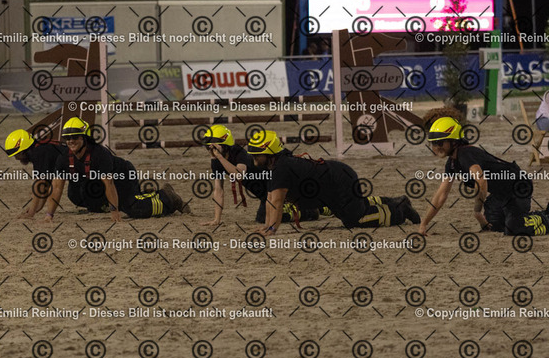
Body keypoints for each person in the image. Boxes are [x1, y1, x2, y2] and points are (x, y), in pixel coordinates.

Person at [247, 130, 420, 235]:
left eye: (256, 154)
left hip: (340, 180)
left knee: (355, 220)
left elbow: (277, 201)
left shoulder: (282, 168)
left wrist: (272, 230)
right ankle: (393, 201)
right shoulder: (276, 165)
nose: (253, 158)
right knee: (353, 210)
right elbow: (270, 199)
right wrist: (266, 226)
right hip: (334, 181)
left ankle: (400, 210)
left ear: (270, 153)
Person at [418, 117, 549, 236]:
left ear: (454, 141)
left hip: (518, 187)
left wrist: (477, 211)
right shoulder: (452, 163)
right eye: (433, 143)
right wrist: (424, 224)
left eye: (440, 142)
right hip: (500, 195)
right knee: (495, 226)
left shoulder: (465, 154)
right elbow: (441, 196)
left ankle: (545, 217)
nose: (436, 147)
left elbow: (481, 182)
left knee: (514, 228)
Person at [44, 117, 189, 222]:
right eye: (67, 137)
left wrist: (114, 210)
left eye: (75, 136)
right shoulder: (63, 158)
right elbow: (56, 187)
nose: (70, 141)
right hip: (97, 182)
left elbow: (109, 183)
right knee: (75, 195)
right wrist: (49, 215)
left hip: (122, 176)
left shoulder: (99, 154)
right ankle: (141, 196)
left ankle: (168, 197)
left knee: (134, 209)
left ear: (85, 138)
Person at [200, 125, 319, 226]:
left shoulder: (238, 153)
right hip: (264, 194)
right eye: (207, 147)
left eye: (213, 146)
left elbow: (239, 175)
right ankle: (303, 207)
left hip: (275, 186)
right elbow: (218, 190)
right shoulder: (216, 160)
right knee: (263, 217)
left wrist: (220, 158)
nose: (210, 150)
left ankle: (310, 212)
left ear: (225, 145)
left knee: (263, 218)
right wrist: (217, 219)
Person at [4, 129, 68, 219]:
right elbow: (45, 185)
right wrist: (37, 208)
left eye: (17, 155)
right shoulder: (41, 148)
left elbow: (39, 185)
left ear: (24, 150)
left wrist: (31, 212)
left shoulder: (39, 152)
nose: (16, 159)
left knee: (74, 195)